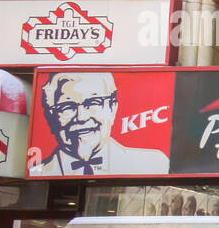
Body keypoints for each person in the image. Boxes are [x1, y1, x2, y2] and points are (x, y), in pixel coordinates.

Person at [32, 71, 170, 176]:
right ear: (50, 117)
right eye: (67, 107)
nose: (81, 117)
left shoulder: (156, 164)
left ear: (112, 108)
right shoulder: (37, 172)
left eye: (93, 103)